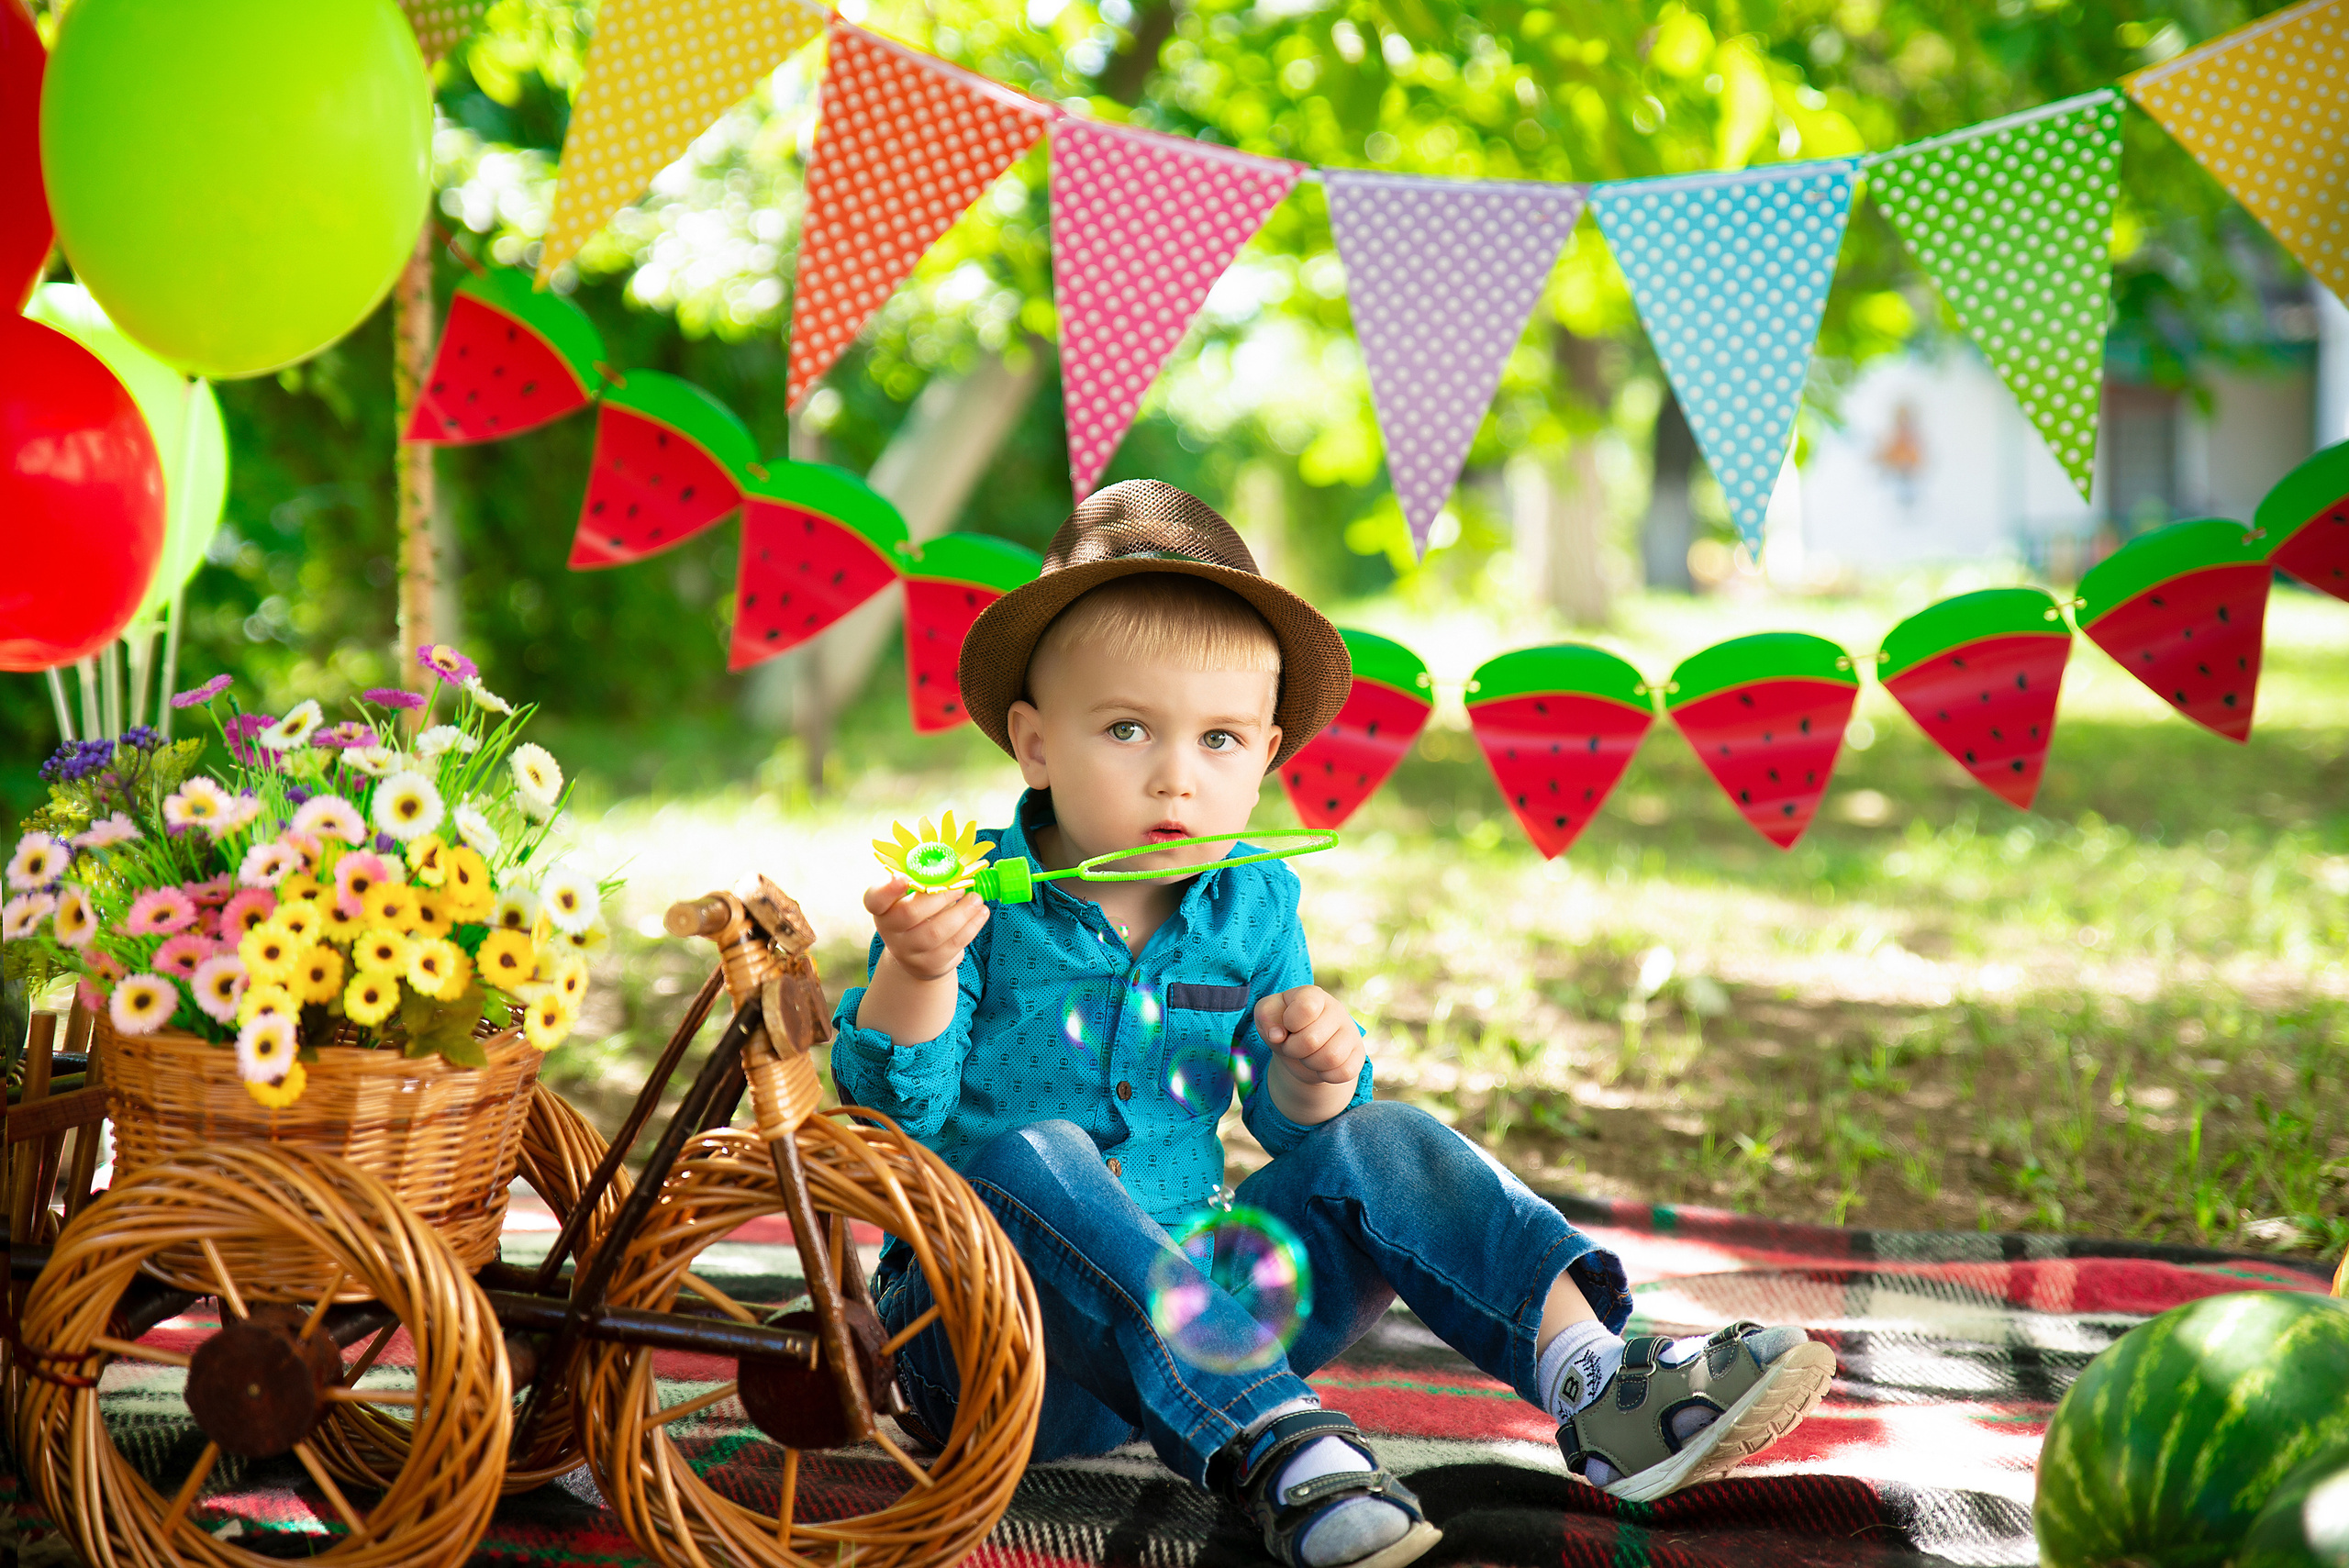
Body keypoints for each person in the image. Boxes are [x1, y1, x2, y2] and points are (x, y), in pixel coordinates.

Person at [833, 481, 1833, 1568]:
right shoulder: (971, 894)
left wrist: (1315, 1072)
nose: (1176, 774)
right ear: (1033, 742)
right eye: (1126, 729)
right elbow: (888, 1118)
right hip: (983, 1345)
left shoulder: (1252, 903)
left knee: (1383, 1137)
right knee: (1032, 1151)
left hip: (1189, 1309)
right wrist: (918, 971)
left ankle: (1596, 1380)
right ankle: (1280, 1442)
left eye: (1218, 739)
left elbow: (1298, 1130)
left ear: (1265, 758)